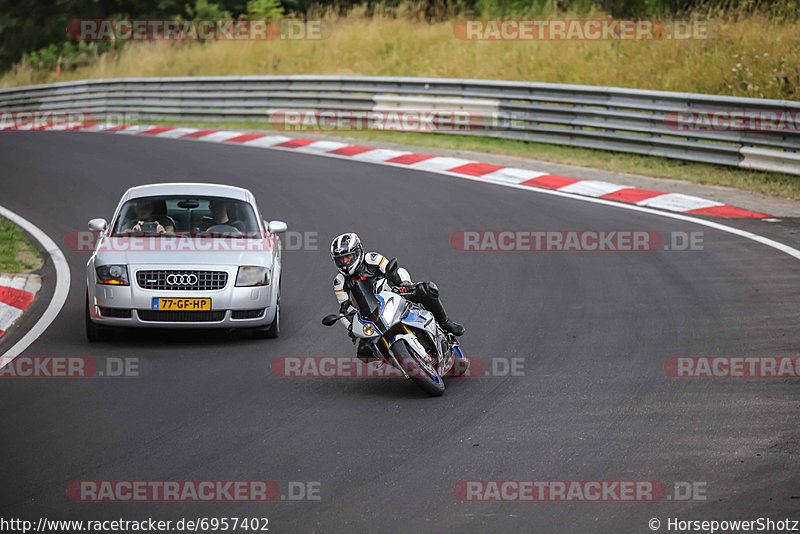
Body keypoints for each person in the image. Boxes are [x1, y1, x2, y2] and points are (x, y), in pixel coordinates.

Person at [330, 232, 464, 359]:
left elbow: (395, 271)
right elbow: (345, 308)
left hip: (395, 295)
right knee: (363, 352)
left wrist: (405, 283)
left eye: (349, 257)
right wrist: (350, 326)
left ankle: (446, 323)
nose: (346, 262)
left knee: (428, 289)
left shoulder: (372, 259)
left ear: (358, 251)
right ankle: (398, 359)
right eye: (341, 259)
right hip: (371, 315)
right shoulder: (339, 281)